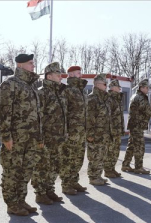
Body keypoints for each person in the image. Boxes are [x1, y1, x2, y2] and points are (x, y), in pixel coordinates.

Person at [0, 53, 43, 216]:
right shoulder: (10, 84)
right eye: (30, 63)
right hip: (16, 138)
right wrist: (6, 136)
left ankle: (20, 200)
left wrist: (39, 137)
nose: (33, 65)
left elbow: (37, 114)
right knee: (12, 171)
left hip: (30, 138)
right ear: (20, 65)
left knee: (26, 171)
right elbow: (4, 112)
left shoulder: (31, 85)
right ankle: (12, 203)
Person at [31, 62, 66, 205]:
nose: (60, 77)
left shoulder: (60, 93)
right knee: (42, 166)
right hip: (45, 137)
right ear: (49, 76)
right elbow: (37, 117)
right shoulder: (42, 92)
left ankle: (49, 189)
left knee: (55, 164)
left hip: (58, 137)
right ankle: (40, 193)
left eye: (60, 74)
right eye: (58, 75)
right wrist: (40, 137)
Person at [121, 79, 151, 175]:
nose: (148, 89)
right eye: (146, 88)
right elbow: (148, 110)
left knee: (131, 145)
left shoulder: (135, 96)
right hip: (137, 126)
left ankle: (126, 164)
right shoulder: (140, 98)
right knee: (139, 147)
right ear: (142, 88)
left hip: (134, 125)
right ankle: (138, 167)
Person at [59, 66, 88, 195]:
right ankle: (66, 184)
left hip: (81, 131)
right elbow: (63, 112)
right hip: (71, 131)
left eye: (80, 73)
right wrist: (66, 130)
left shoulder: (81, 91)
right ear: (70, 75)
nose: (80, 75)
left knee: (79, 157)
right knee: (68, 158)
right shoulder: (67, 90)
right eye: (78, 73)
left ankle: (74, 181)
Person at [86, 73, 112, 185]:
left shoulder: (104, 99)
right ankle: (93, 177)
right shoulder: (92, 99)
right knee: (95, 156)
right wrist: (90, 134)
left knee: (101, 155)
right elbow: (89, 118)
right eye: (104, 84)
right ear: (97, 85)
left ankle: (98, 176)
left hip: (103, 134)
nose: (106, 86)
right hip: (95, 134)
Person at [104, 79, 124, 178]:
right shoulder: (109, 99)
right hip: (111, 131)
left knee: (116, 151)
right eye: (118, 87)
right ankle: (107, 170)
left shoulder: (117, 99)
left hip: (117, 131)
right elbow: (108, 117)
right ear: (112, 88)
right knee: (110, 151)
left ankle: (112, 168)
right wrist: (110, 131)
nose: (119, 89)